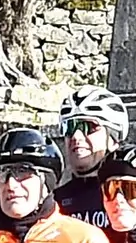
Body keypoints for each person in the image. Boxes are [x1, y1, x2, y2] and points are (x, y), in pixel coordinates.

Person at [51, 88, 131, 224]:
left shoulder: (131, 195)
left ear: (113, 140)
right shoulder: (54, 201)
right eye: (69, 127)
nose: (76, 136)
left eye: (89, 126)